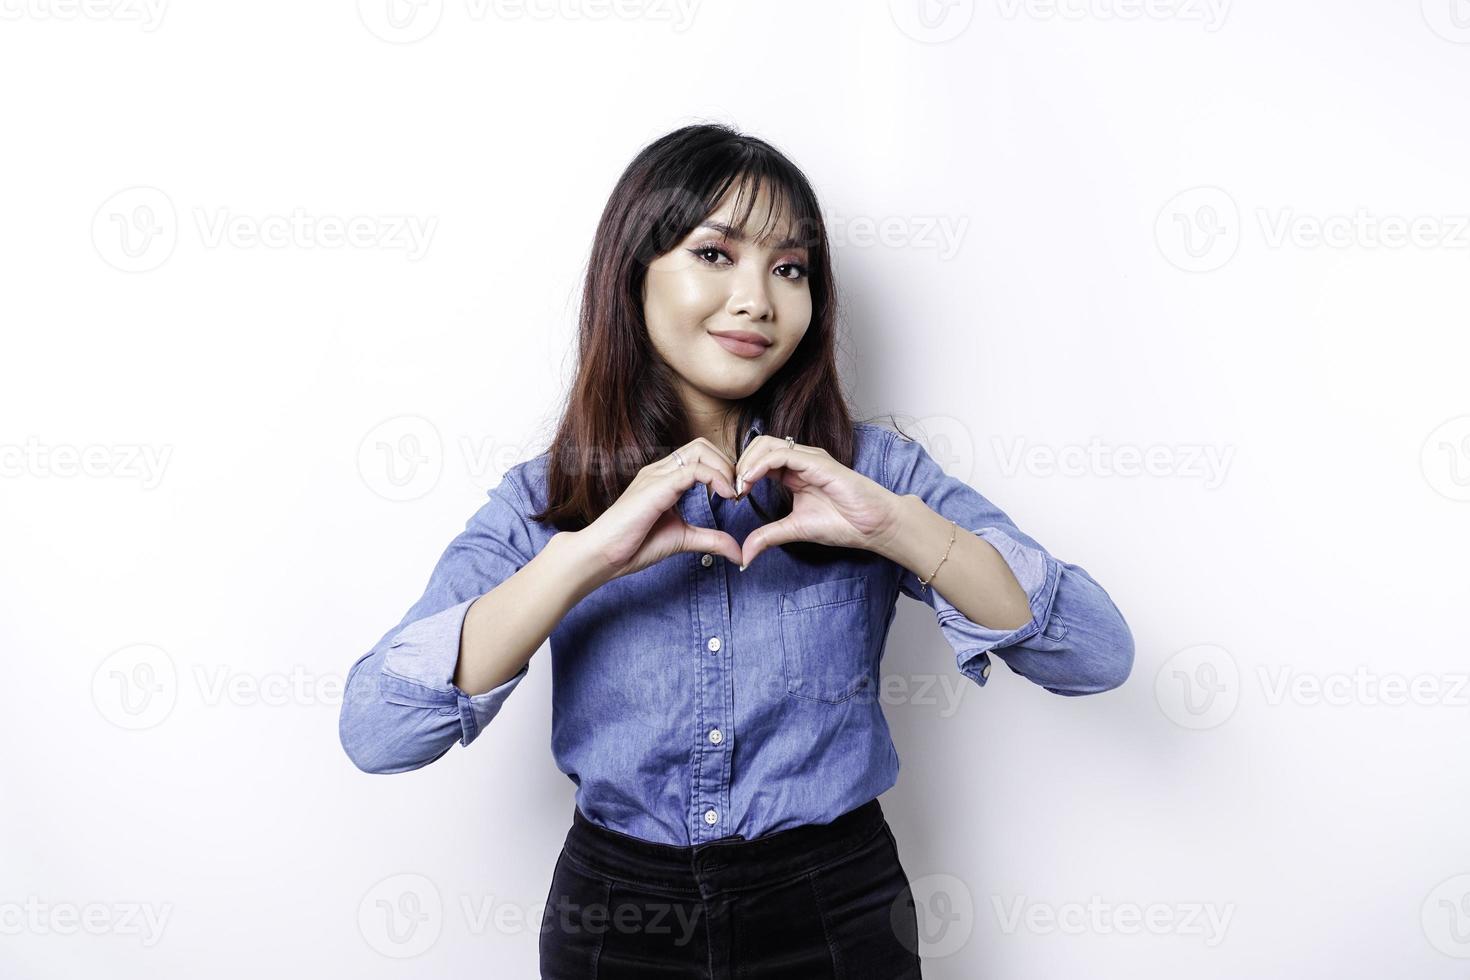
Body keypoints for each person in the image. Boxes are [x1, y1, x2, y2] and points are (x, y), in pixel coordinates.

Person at [338, 122, 1135, 979]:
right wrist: (584, 558)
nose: (758, 299)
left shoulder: (871, 472)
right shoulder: (547, 499)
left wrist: (895, 527)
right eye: (715, 254)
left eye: (789, 268)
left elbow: (1096, 654)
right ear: (632, 274)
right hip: (615, 918)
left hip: (837, 908)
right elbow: (379, 733)